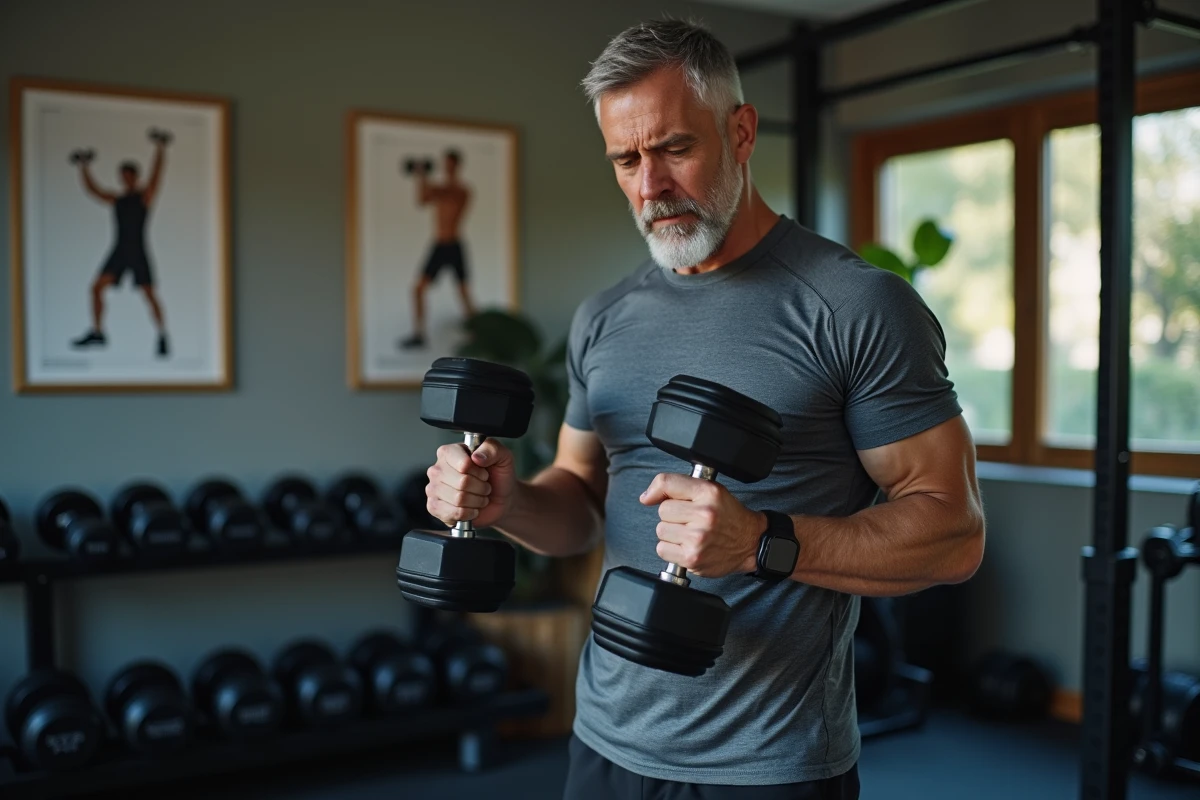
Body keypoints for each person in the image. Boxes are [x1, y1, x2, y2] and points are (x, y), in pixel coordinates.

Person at [423, 19, 985, 800]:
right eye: (626, 159)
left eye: (674, 149)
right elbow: (581, 502)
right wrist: (507, 501)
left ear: (742, 131)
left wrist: (761, 542)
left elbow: (953, 533)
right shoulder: (604, 317)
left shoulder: (856, 306)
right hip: (606, 742)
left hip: (772, 764)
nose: (650, 186)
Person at [71, 131, 171, 358]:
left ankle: (162, 334)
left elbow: (157, 174)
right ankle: (98, 333)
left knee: (149, 294)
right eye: (122, 176)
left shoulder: (144, 196)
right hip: (119, 250)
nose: (125, 179)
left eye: (128, 176)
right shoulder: (118, 200)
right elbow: (93, 191)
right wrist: (83, 167)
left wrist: (160, 148)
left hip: (137, 250)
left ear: (135, 177)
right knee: (96, 288)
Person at [399, 149, 476, 350]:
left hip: (455, 244)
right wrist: (420, 176)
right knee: (418, 289)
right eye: (445, 164)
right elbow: (422, 200)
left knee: (463, 291)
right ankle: (419, 335)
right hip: (438, 245)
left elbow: (444, 193)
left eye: (450, 164)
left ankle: (477, 333)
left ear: (457, 166)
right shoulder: (441, 190)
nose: (447, 168)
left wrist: (424, 175)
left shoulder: (462, 190)